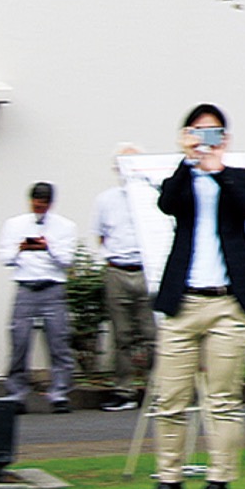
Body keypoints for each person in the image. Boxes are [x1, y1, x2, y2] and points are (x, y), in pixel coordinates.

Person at [127, 104, 245, 489]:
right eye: (197, 131)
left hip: (228, 303)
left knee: (222, 399)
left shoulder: (242, 177)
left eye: (213, 132)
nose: (206, 139)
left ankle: (219, 481)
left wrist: (217, 169)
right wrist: (188, 161)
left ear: (226, 138)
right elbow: (167, 204)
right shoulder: (182, 179)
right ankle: (169, 480)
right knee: (170, 398)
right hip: (183, 303)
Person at [0, 182, 78, 413]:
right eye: (36, 204)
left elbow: (66, 260)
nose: (39, 208)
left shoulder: (65, 226)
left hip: (53, 288)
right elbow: (5, 258)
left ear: (50, 204)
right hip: (25, 287)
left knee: (58, 342)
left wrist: (47, 246)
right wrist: (21, 248)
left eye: (43, 205)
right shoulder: (14, 224)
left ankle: (59, 394)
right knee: (20, 341)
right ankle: (16, 394)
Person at [93, 145, 156, 412]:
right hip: (117, 270)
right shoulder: (106, 200)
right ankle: (124, 390)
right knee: (122, 335)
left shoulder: (154, 196)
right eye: (122, 163)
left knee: (152, 334)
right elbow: (100, 235)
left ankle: (157, 390)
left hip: (147, 271)